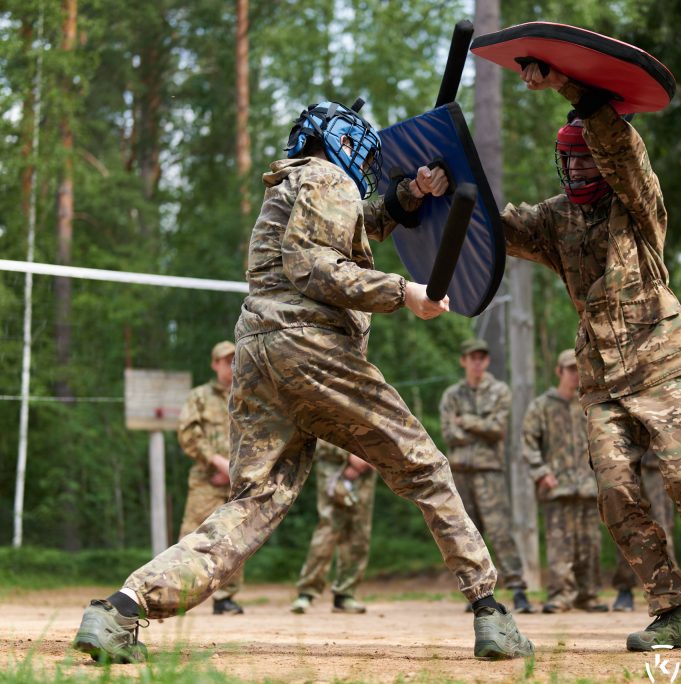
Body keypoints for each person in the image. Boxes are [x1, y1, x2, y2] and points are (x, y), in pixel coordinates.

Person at [71, 100, 533, 663]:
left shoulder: (290, 186)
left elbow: (348, 232)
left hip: (257, 354)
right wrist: (401, 291)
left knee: (253, 502)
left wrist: (410, 194)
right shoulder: (329, 178)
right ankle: (490, 610)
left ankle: (122, 608)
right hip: (312, 349)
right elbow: (314, 266)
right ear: (343, 143)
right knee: (425, 466)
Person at [501, 62, 681, 650]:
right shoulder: (555, 219)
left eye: (588, 157)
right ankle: (673, 612)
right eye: (572, 159)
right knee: (616, 494)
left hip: (661, 362)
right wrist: (432, 190)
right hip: (602, 379)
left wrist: (567, 86)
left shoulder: (638, 205)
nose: (579, 166)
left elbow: (625, 154)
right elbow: (489, 228)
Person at [440, 338, 534, 614]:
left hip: (489, 472)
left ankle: (518, 590)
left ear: (487, 361)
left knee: (499, 530)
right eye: (472, 357)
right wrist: (478, 428)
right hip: (460, 472)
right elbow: (449, 434)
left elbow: (497, 429)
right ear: (464, 361)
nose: (477, 362)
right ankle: (478, 594)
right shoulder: (452, 395)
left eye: (482, 357)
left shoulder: (499, 391)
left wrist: (466, 421)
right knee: (466, 535)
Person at [520, 349, 607, 614]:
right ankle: (560, 595)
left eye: (579, 369)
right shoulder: (542, 407)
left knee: (589, 545)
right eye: (570, 369)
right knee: (560, 547)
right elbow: (528, 442)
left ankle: (588, 595)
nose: (575, 374)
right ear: (559, 372)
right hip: (556, 488)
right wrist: (541, 472)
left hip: (587, 487)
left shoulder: (589, 407)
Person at [174, 340, 246, 616]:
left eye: (235, 359)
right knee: (192, 535)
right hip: (206, 480)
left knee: (236, 539)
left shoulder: (247, 396)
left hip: (238, 482)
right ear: (215, 364)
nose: (231, 365)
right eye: (226, 360)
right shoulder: (199, 397)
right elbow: (189, 434)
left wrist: (236, 472)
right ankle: (177, 594)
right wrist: (217, 463)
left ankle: (225, 599)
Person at [290, 440, 376, 615]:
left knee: (359, 532)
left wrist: (367, 460)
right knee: (329, 528)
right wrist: (348, 457)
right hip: (333, 467)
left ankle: (345, 594)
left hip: (366, 470)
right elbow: (320, 432)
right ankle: (307, 592)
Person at [611, 452, 675, 613]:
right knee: (625, 527)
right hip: (624, 464)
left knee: (662, 528)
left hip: (658, 464)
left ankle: (667, 590)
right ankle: (624, 589)